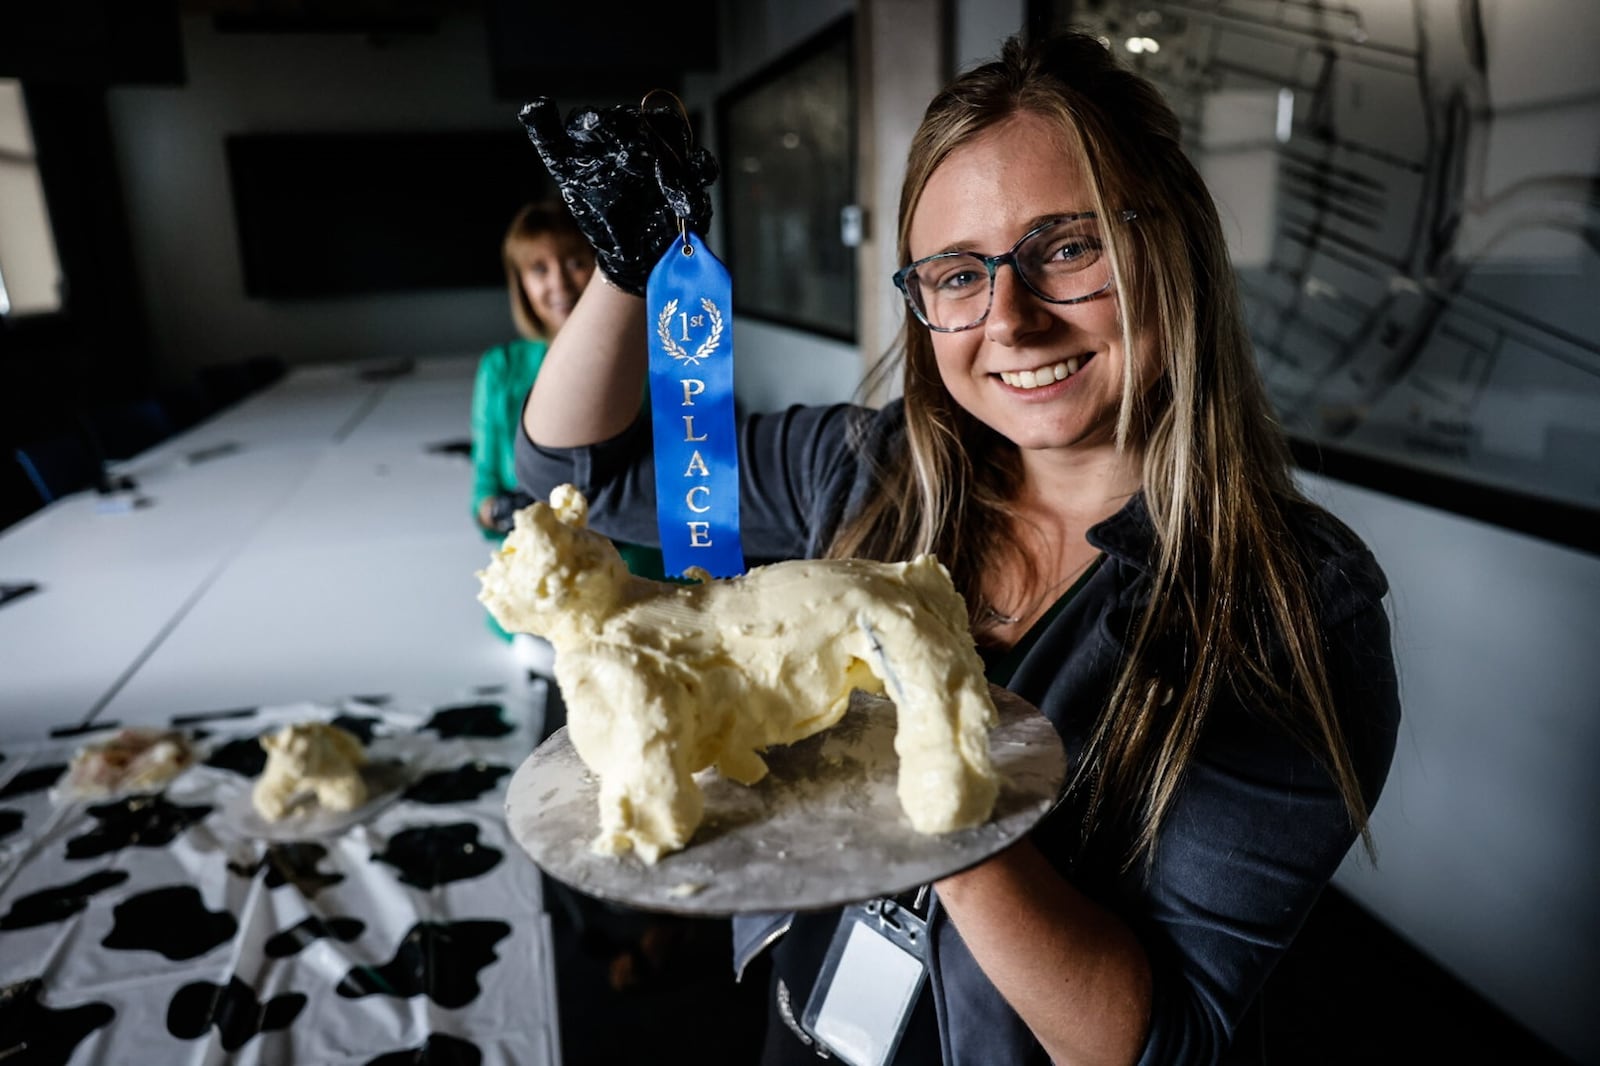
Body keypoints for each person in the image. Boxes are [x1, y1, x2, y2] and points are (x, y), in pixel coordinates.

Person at [514, 30, 1400, 1066]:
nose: (1009, 320)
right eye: (956, 273)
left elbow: (1150, 1042)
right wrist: (630, 269)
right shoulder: (866, 471)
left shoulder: (1285, 607)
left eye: (1067, 248)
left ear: (1175, 246)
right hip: (800, 1030)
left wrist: (938, 791)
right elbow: (588, 475)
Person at [470, 201, 663, 648]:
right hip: (540, 608)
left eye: (577, 262)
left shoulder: (653, 357)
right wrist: (508, 511)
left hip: (642, 587)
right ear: (520, 283)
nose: (559, 282)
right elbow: (481, 498)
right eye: (538, 269)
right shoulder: (500, 369)